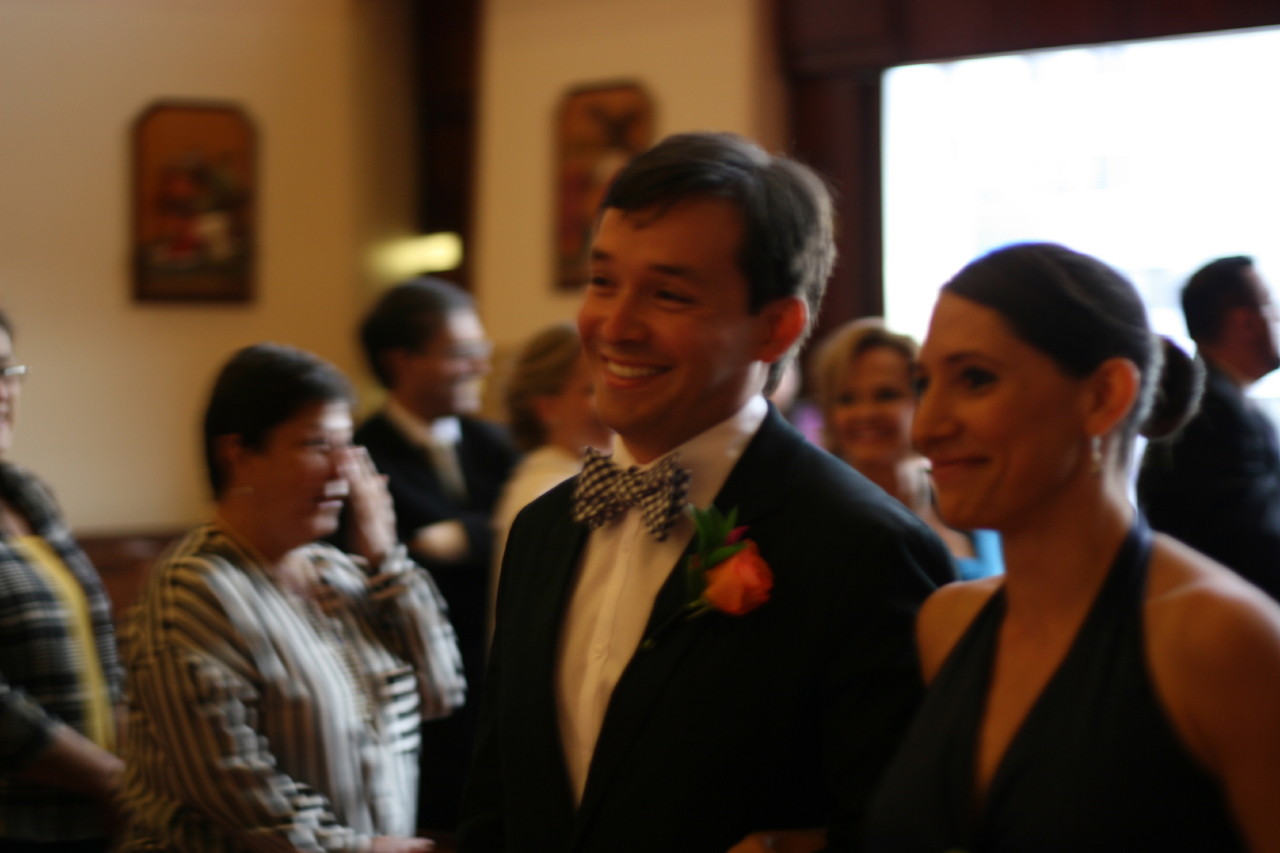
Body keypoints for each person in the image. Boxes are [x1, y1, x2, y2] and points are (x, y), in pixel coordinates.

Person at [459, 131, 953, 853]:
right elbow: (497, 804)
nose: (615, 326)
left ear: (775, 326)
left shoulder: (864, 548)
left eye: (668, 294)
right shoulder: (542, 529)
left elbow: (902, 830)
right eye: (603, 281)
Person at [866, 243, 1280, 851]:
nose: (927, 427)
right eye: (924, 384)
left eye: (975, 379)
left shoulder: (1218, 639)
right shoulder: (949, 622)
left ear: (1103, 395)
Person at [117, 343, 465, 853]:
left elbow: (441, 691)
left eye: (348, 446)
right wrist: (358, 850)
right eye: (317, 445)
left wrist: (387, 556)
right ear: (238, 454)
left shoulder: (340, 573)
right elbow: (234, 787)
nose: (343, 469)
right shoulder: (193, 589)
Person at [355, 277, 519, 829]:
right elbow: (395, 566)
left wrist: (465, 538)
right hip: (424, 713)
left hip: (502, 687)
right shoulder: (364, 457)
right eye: (461, 352)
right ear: (400, 361)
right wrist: (489, 535)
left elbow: (535, 538)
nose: (480, 365)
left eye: (481, 349)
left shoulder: (498, 445)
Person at [0, 308, 125, 852]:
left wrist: (134, 770)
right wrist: (112, 779)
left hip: (91, 819)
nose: (2, 391)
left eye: (6, 370)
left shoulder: (27, 493)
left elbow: (100, 643)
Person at [810, 317, 1003, 579]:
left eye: (886, 394)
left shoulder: (969, 493)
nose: (865, 413)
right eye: (846, 399)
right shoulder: (818, 516)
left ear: (925, 400)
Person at [1138, 255, 1280, 601]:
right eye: (1271, 307)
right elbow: (1255, 546)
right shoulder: (1217, 416)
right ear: (1246, 321)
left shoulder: (1219, 403)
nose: (1277, 317)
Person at [490, 322, 611, 625]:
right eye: (592, 389)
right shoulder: (547, 494)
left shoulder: (580, 475)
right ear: (547, 408)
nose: (612, 399)